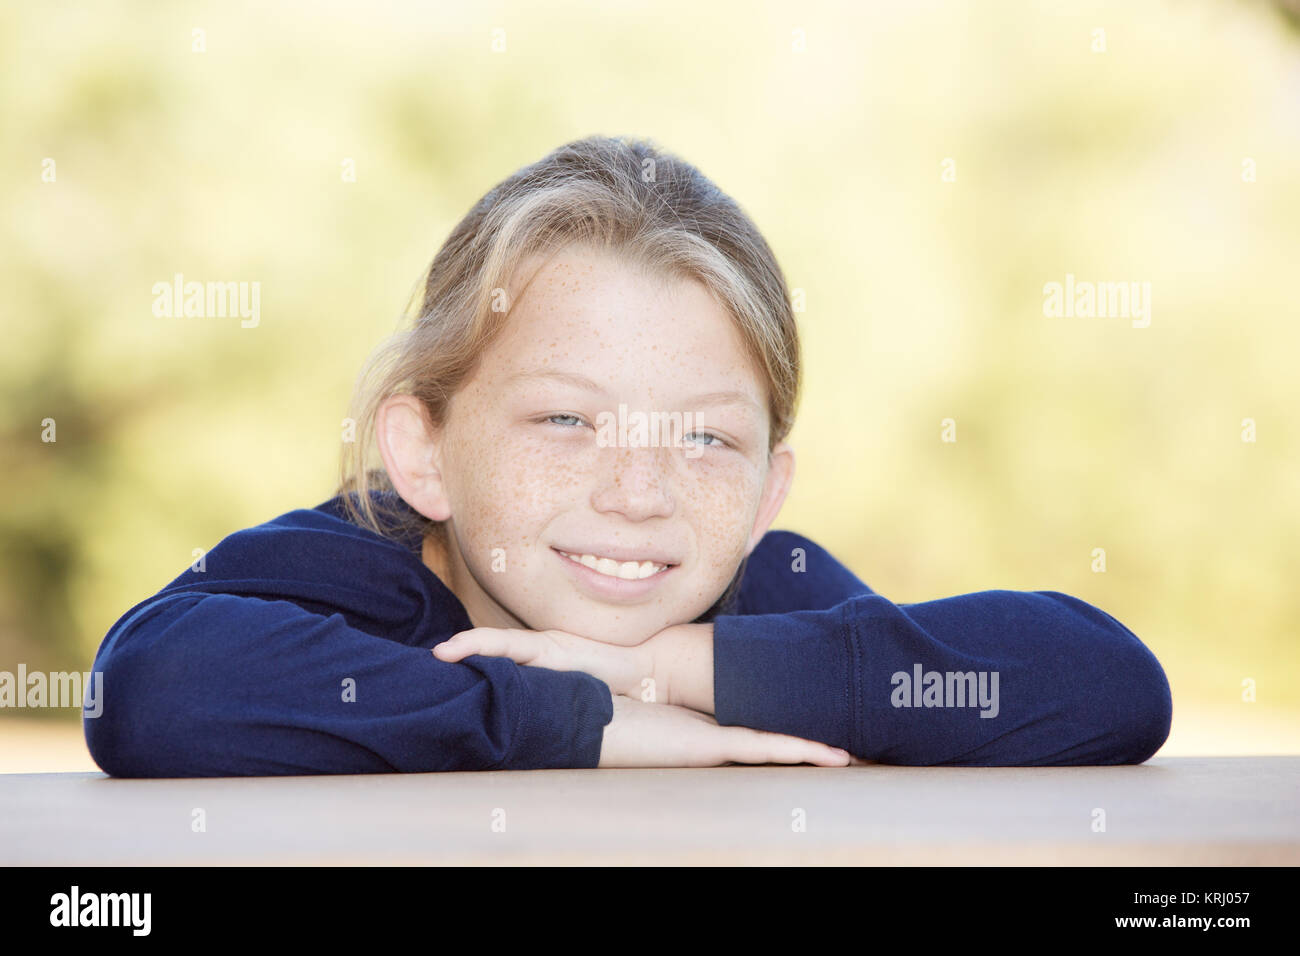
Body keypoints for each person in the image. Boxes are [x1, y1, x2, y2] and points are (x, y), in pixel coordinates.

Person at [84, 135, 1171, 776]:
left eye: (703, 437)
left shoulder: (755, 597)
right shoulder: (359, 565)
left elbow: (1105, 683)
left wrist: (659, 669)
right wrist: (582, 719)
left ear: (763, 493)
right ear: (423, 453)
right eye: (566, 419)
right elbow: (151, 687)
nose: (638, 489)